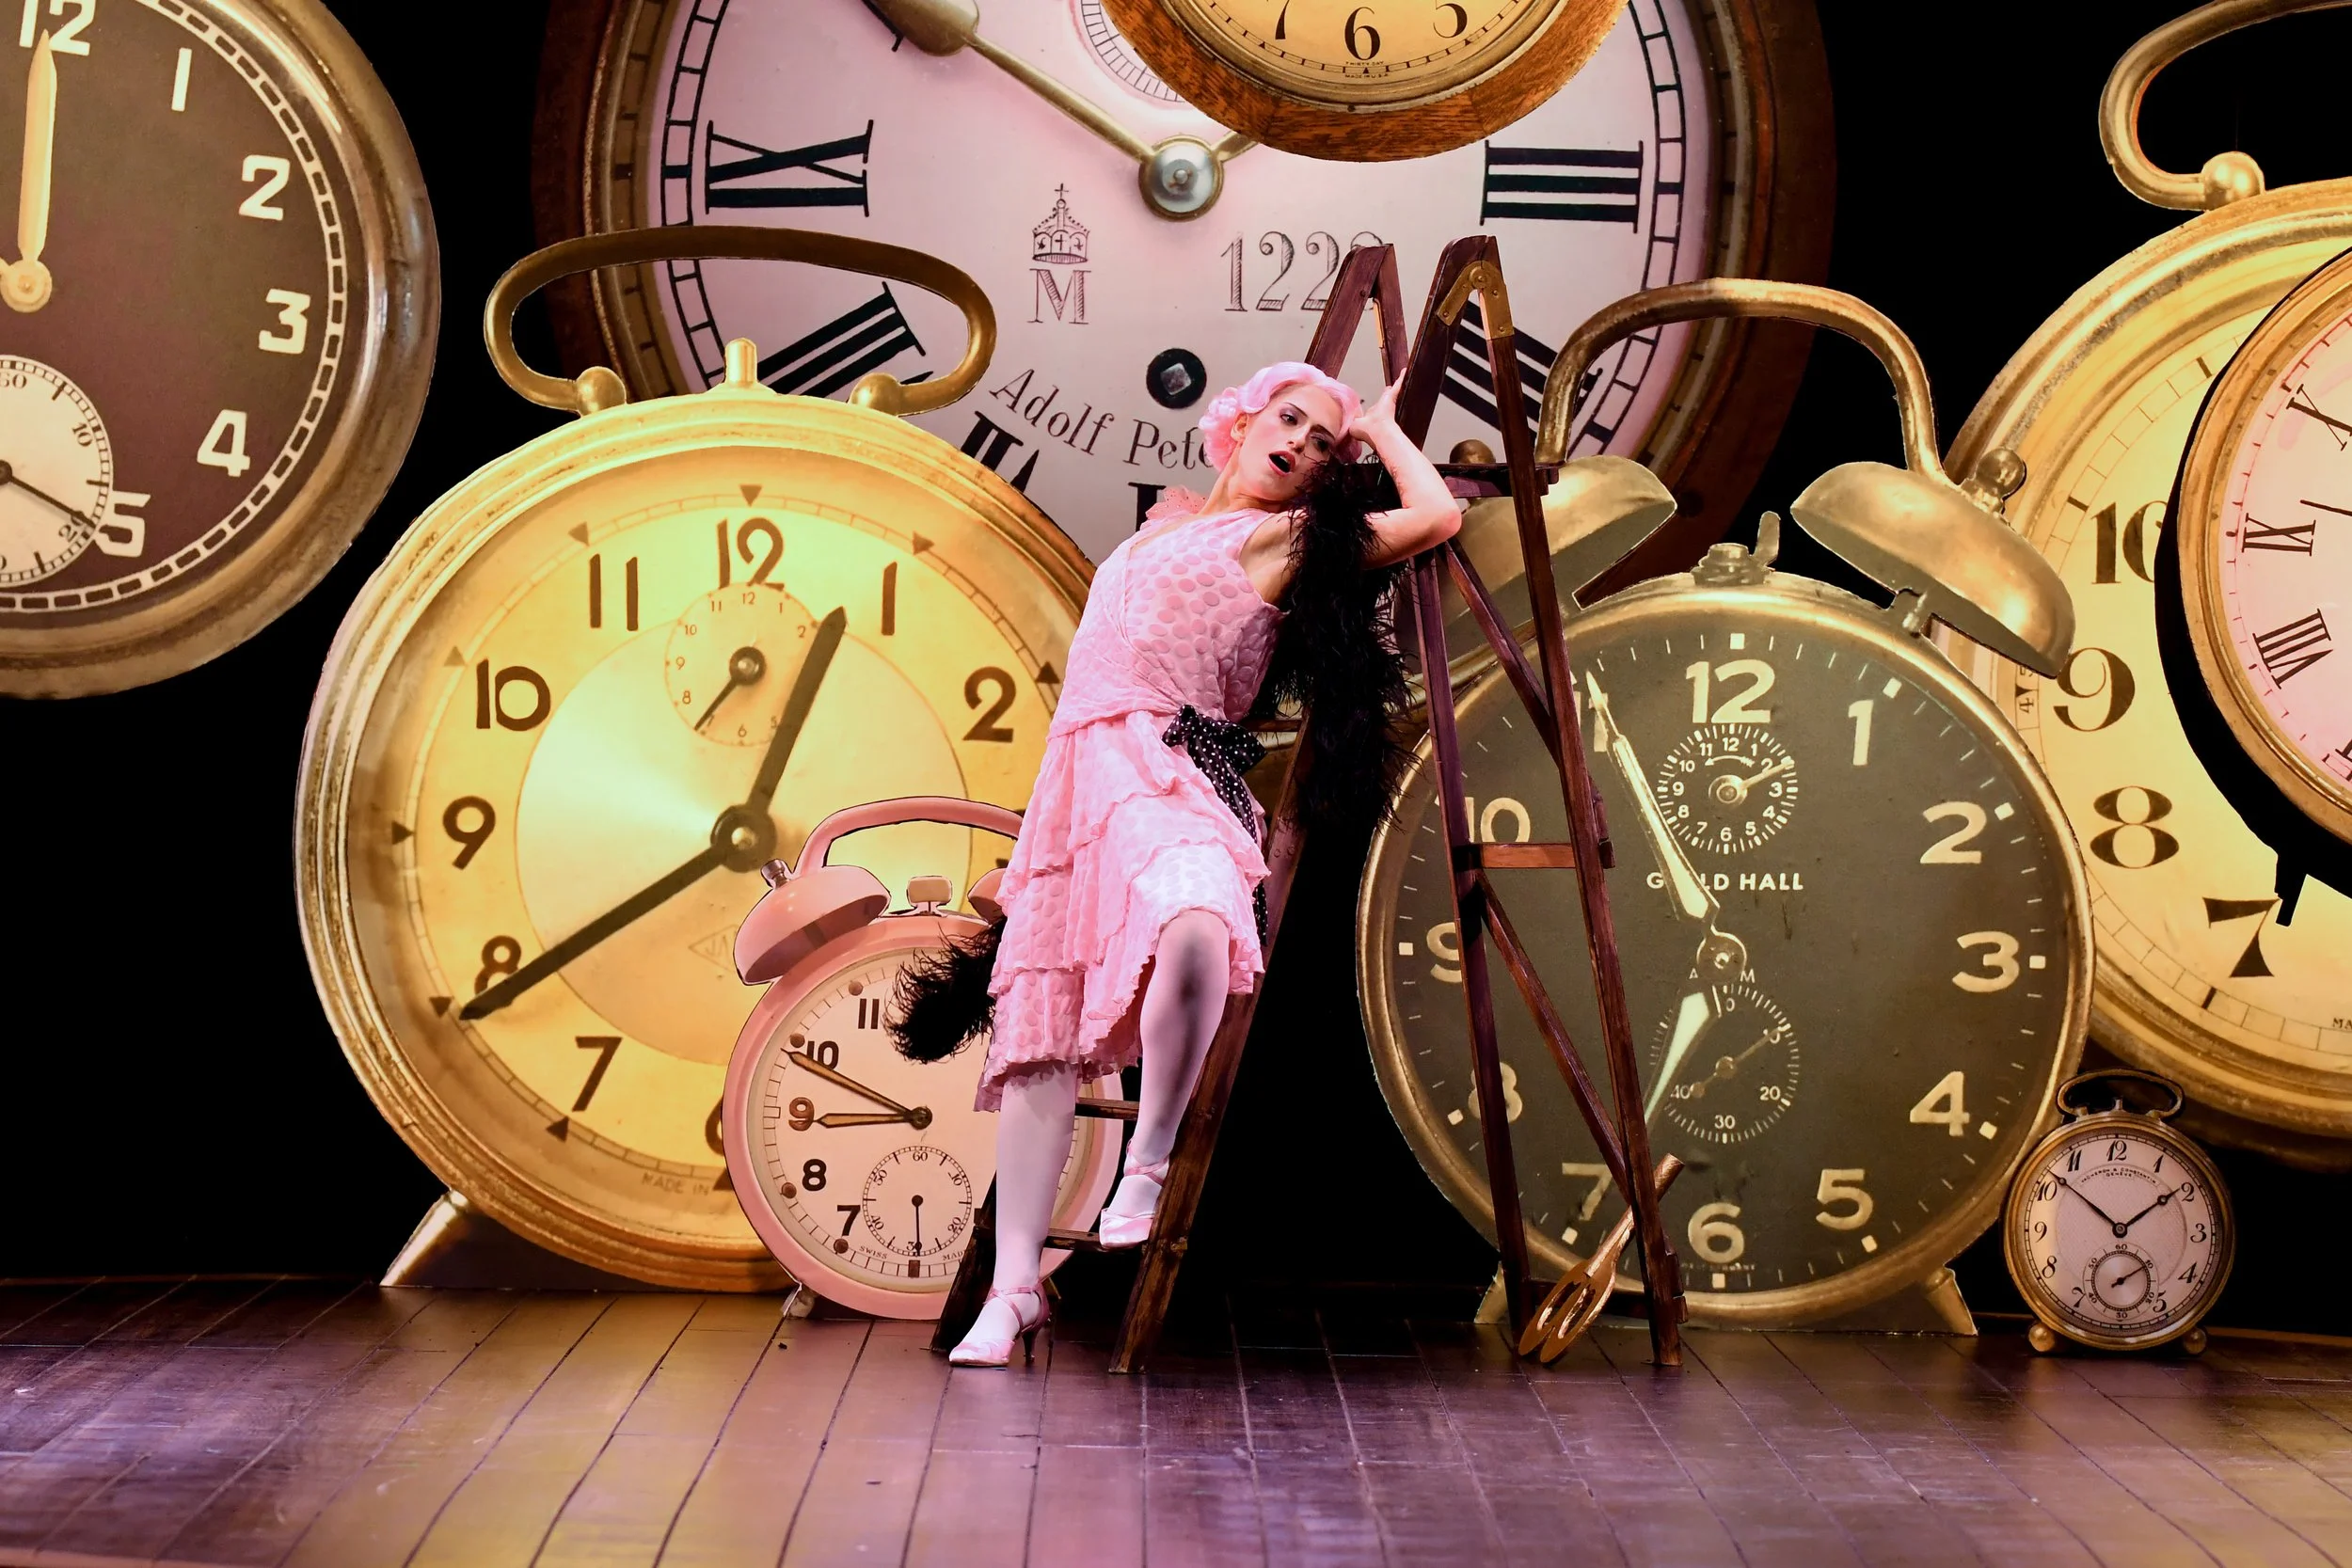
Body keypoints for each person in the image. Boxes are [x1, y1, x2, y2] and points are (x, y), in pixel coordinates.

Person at [891, 361, 1461, 1367]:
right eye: (1289, 419)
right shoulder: (1166, 525)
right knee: (1041, 1034)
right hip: (1079, 785)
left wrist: (1378, 429)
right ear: (1241, 421)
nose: (1299, 443)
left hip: (1167, 773)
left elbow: (1436, 517)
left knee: (1199, 927)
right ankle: (1014, 1289)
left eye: (1320, 443)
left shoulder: (1290, 539)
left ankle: (1147, 1161)